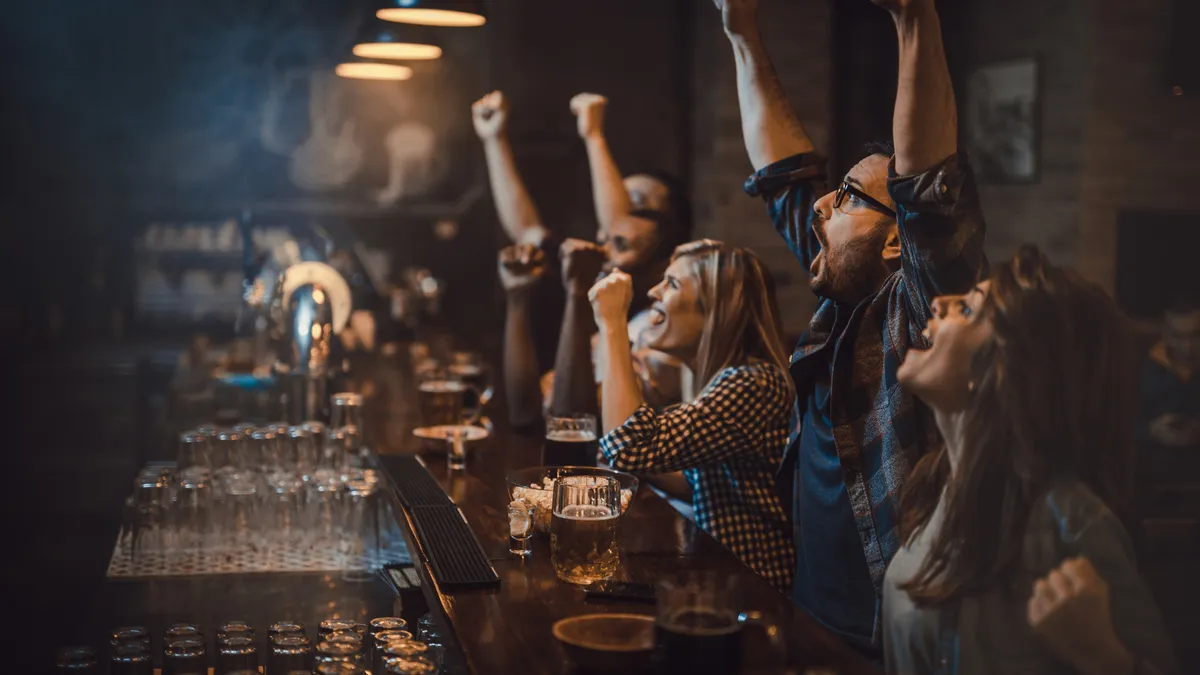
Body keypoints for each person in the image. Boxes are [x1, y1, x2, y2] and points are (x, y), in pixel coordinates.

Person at [716, 0, 987, 653]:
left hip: (879, 642)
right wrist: (741, 32)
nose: (820, 210)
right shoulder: (840, 311)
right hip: (803, 616)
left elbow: (928, 190)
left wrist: (915, 19)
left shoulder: (919, 315)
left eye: (843, 196)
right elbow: (784, 177)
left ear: (898, 242)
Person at [885, 245, 1179, 675]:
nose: (939, 303)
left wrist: (1107, 659)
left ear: (1003, 369)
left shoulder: (1074, 525)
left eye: (967, 311)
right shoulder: (932, 495)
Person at [473, 91, 692, 428]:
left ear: (671, 233)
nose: (614, 218)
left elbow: (580, 422)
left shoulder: (670, 323)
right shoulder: (596, 273)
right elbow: (528, 229)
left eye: (634, 206)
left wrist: (594, 136)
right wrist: (494, 139)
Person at [590, 240, 795, 589]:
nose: (654, 291)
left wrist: (613, 324)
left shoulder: (752, 383)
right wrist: (643, 466)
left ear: (717, 309)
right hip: (721, 579)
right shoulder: (714, 379)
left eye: (671, 284)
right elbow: (703, 482)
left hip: (757, 593)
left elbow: (626, 446)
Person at [1137, 298, 1200, 451]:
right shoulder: (1142, 370)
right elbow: (1120, 425)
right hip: (1155, 458)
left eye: (1195, 335)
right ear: (1165, 335)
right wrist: (1151, 430)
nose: (1187, 345)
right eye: (1178, 336)